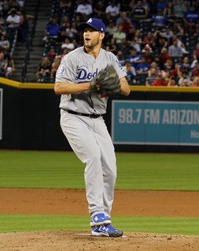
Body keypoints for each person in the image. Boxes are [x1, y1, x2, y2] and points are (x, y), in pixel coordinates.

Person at [54, 18, 130, 237]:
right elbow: (58, 87)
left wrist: (111, 84)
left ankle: (103, 222)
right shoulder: (72, 58)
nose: (87, 34)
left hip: (97, 120)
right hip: (73, 117)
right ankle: (96, 213)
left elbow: (126, 89)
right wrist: (91, 85)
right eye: (85, 30)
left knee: (111, 169)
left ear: (102, 35)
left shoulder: (110, 58)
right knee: (94, 157)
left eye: (92, 31)